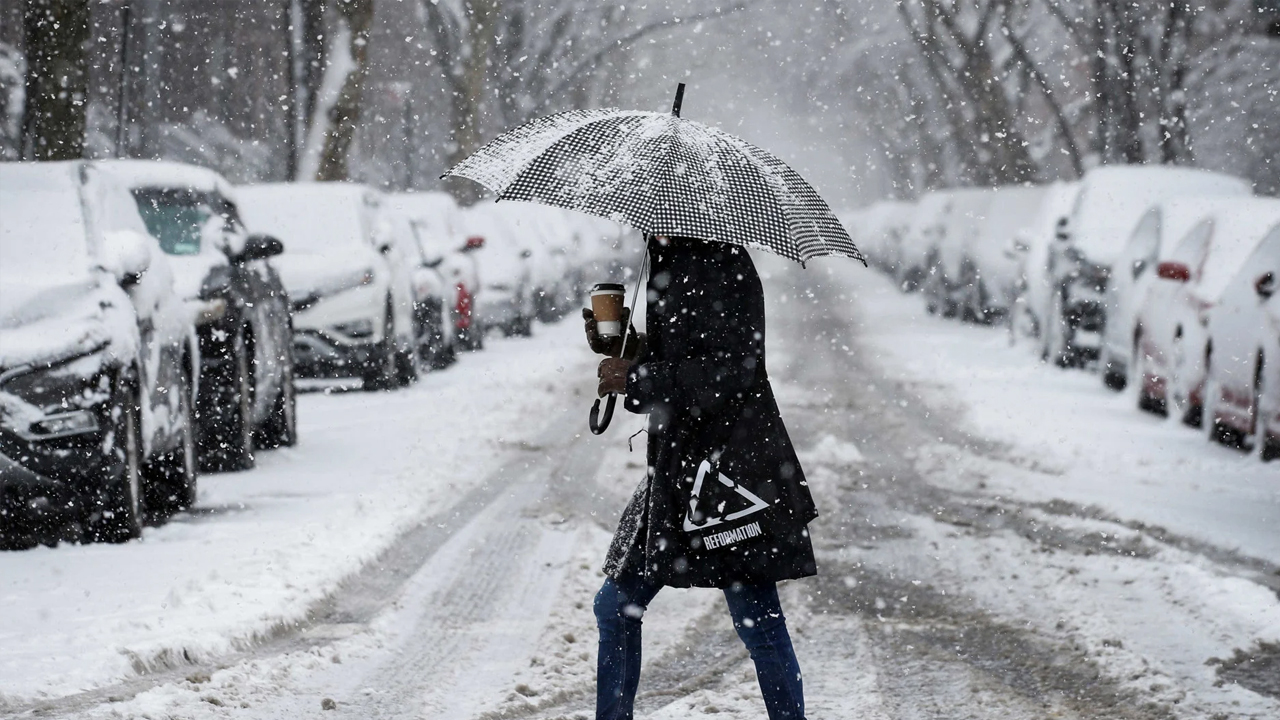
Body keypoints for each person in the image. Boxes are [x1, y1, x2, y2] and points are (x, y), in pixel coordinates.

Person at [583, 234, 817, 720]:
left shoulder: (716, 261)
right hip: (676, 468)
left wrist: (639, 378)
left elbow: (732, 369)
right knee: (615, 605)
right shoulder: (671, 253)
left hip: (728, 475)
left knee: (758, 623)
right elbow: (688, 352)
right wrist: (625, 343)